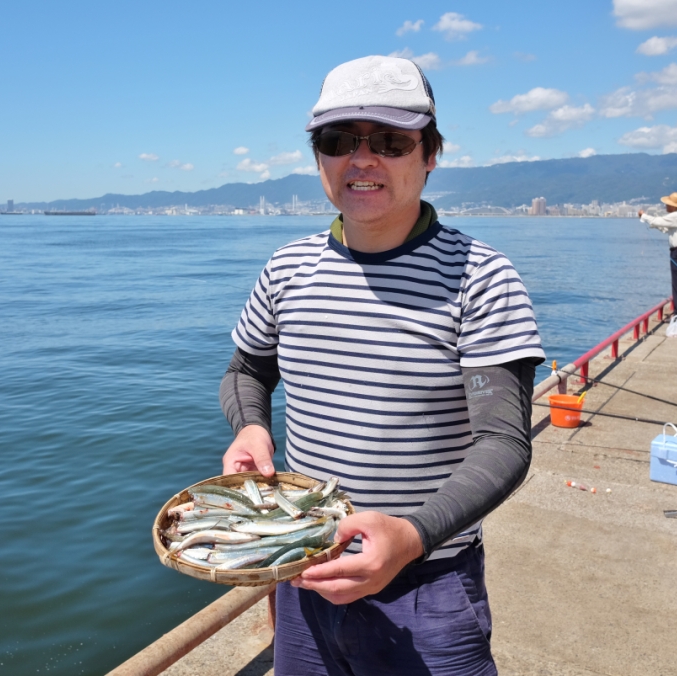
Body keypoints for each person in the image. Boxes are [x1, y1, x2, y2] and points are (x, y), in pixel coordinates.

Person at [218, 55, 545, 675]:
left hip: (430, 584)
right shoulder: (287, 269)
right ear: (319, 157)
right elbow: (246, 371)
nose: (362, 159)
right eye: (338, 140)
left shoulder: (481, 277)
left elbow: (503, 441)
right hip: (305, 568)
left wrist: (411, 537)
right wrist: (251, 427)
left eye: (391, 141)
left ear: (430, 154)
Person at [638, 193, 677, 324]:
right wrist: (651, 222)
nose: (665, 206)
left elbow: (659, 221)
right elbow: (664, 228)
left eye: (667, 204)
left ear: (673, 206)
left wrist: (644, 216)